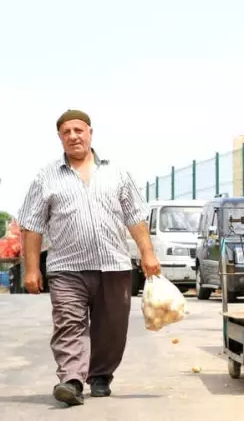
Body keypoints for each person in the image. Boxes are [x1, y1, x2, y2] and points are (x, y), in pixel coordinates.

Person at [17, 109, 160, 406]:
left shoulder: (116, 172)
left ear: (90, 133)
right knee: (68, 323)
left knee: (111, 328)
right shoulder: (46, 176)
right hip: (66, 268)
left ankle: (100, 375)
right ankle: (70, 379)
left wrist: (147, 253)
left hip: (114, 264)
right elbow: (32, 224)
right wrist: (31, 269)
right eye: (66, 132)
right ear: (59, 138)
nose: (73, 136)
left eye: (78, 130)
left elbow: (135, 216)